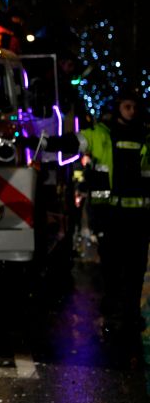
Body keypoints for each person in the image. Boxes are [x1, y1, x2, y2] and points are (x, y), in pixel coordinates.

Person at [77, 90, 150, 338]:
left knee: (135, 270)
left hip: (138, 218)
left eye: (135, 107)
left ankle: (128, 316)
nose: (132, 111)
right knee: (113, 268)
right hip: (112, 216)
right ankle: (114, 314)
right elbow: (76, 141)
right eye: (127, 106)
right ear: (119, 107)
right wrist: (44, 142)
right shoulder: (103, 134)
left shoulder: (146, 136)